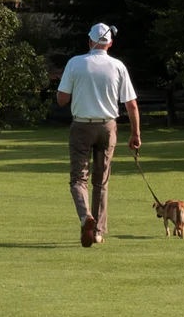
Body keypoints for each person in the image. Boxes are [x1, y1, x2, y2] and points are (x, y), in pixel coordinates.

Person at [56, 22, 140, 247]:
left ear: (90, 41)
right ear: (109, 43)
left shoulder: (75, 63)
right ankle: (99, 232)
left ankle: (86, 217)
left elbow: (62, 99)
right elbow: (131, 104)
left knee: (78, 179)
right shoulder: (118, 66)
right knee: (101, 181)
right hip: (107, 127)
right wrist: (135, 134)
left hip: (82, 126)